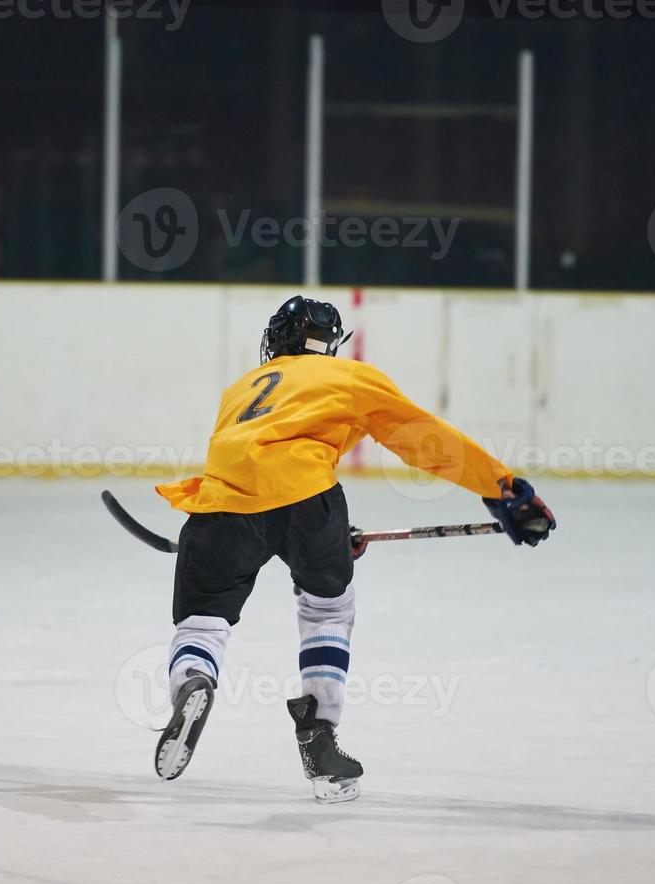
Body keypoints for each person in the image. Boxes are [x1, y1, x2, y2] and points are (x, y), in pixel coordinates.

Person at [152, 296, 556, 802]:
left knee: (202, 619)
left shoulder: (241, 388)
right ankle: (319, 736)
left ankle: (194, 679)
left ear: (276, 340)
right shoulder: (350, 378)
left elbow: (252, 469)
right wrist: (502, 487)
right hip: (309, 501)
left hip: (219, 506)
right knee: (327, 609)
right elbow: (425, 440)